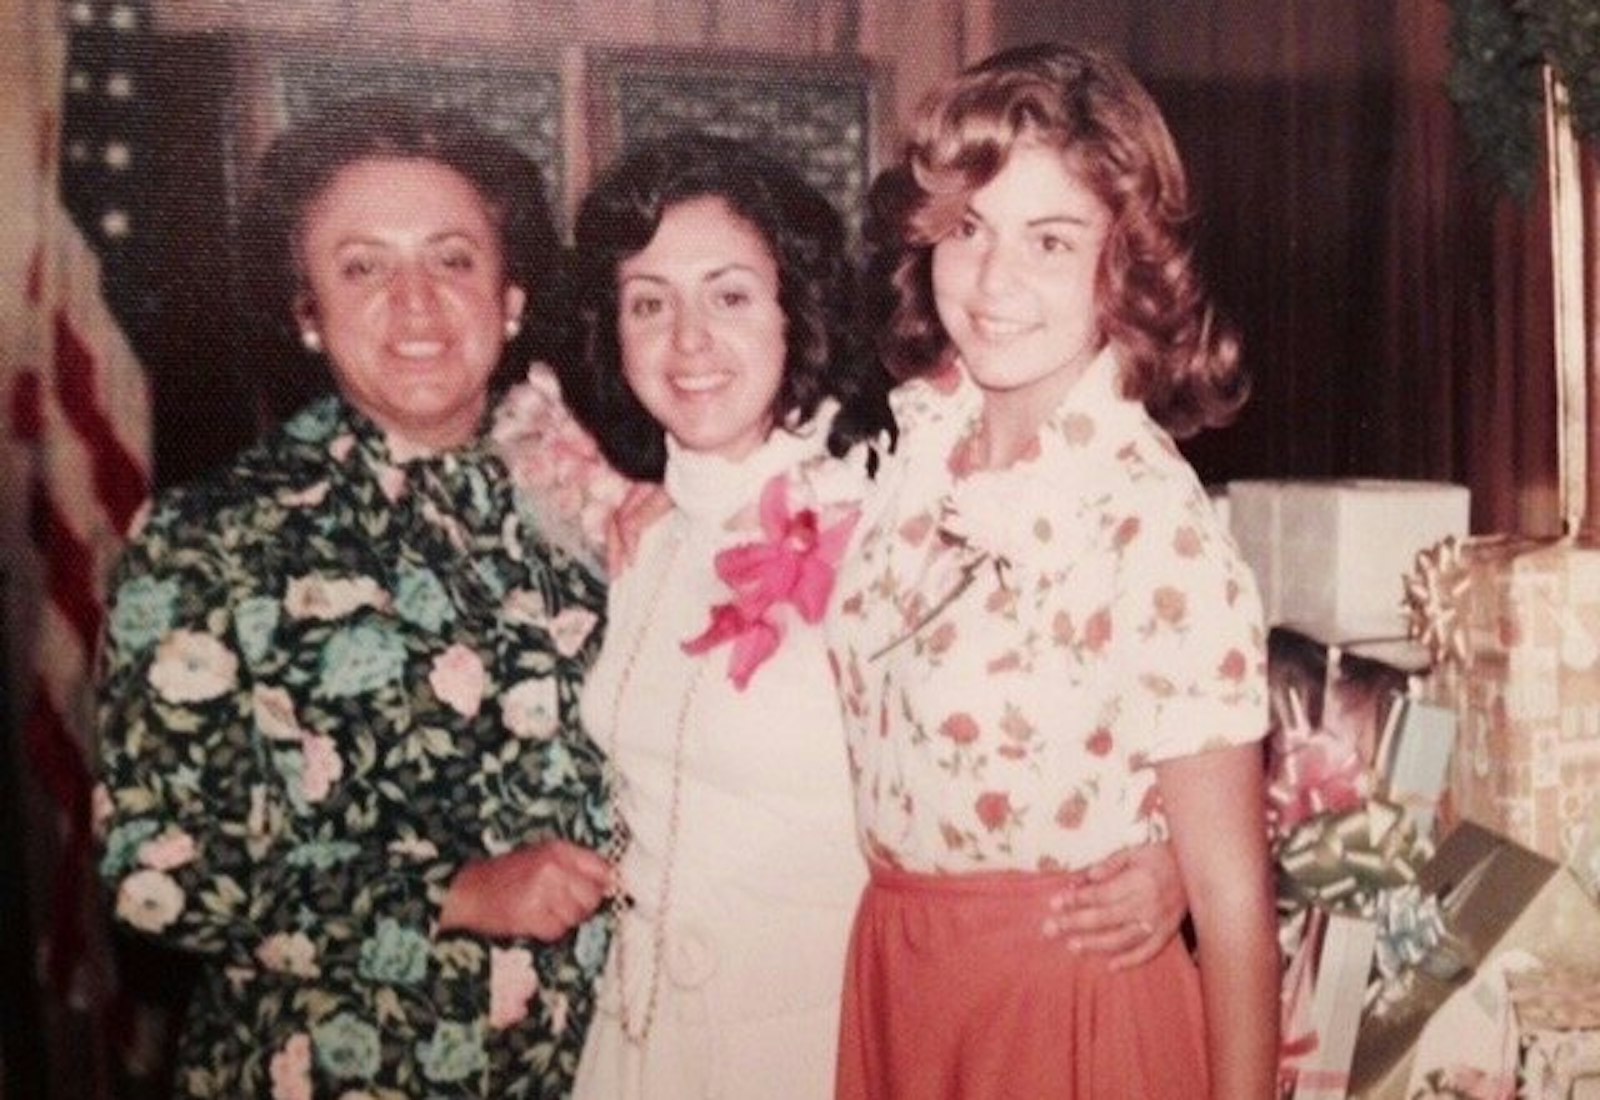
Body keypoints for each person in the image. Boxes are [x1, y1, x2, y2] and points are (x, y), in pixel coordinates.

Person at [94, 98, 615, 1098]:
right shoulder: (214, 536)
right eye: (363, 265)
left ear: (509, 298)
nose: (416, 303)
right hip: (340, 1070)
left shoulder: (603, 508)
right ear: (305, 311)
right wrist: (455, 894)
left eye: (453, 259)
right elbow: (157, 869)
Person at [826, 43, 1279, 1099]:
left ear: (1124, 263)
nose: (993, 282)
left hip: (1062, 1011)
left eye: (1049, 239)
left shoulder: (1146, 516)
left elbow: (1233, 897)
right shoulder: (918, 440)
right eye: (967, 229)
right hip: (904, 974)